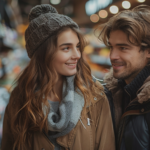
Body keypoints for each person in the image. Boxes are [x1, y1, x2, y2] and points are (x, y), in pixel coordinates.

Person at [1, 4, 115, 150]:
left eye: (78, 46)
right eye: (66, 48)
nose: (77, 55)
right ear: (43, 53)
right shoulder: (19, 100)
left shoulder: (95, 96)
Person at [99, 4, 150, 150]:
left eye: (123, 48)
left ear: (148, 51)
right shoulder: (109, 95)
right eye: (111, 47)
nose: (113, 56)